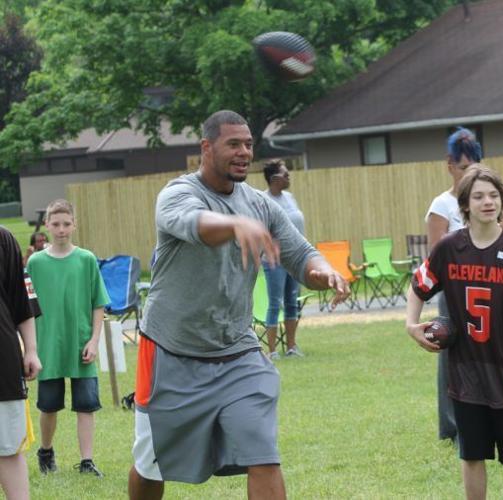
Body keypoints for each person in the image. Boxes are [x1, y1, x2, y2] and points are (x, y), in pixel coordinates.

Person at [128, 110, 350, 499]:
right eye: (233, 144)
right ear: (206, 147)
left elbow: (299, 254)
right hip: (170, 350)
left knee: (263, 453)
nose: (244, 152)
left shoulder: (259, 205)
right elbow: (195, 225)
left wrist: (325, 271)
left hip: (237, 352)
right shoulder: (178, 194)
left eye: (248, 144)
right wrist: (234, 225)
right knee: (151, 463)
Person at [407, 165, 503, 500]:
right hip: (465, 374)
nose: (487, 202)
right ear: (465, 205)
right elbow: (419, 286)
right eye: (478, 196)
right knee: (472, 456)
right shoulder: (448, 248)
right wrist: (411, 325)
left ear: (502, 201)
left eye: (493, 195)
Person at [26, 199, 110, 477]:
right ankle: (46, 451)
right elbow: (24, 306)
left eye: (66, 223)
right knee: (48, 406)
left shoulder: (86, 259)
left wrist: (94, 340)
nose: (61, 229)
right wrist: (30, 347)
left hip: (81, 344)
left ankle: (87, 461)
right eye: (55, 224)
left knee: (86, 406)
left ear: (74, 224)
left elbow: (98, 303)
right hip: (47, 347)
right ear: (47, 226)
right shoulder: (35, 263)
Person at [425, 127, 482, 443]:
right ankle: (453, 425)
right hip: (454, 291)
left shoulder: (484, 200)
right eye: (463, 167)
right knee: (453, 356)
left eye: (475, 167)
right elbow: (437, 256)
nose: (469, 173)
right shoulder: (442, 205)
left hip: (486, 289)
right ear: (449, 164)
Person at [0, 226, 42, 500]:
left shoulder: (3, 239)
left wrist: (31, 350)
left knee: (9, 447)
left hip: (2, 363)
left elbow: (21, 300)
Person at [262, 159, 305, 360]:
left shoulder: (289, 197)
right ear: (275, 179)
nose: (289, 178)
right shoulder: (264, 200)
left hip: (294, 259)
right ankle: (271, 351)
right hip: (275, 260)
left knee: (291, 302)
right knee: (274, 303)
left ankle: (291, 346)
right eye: (286, 175)